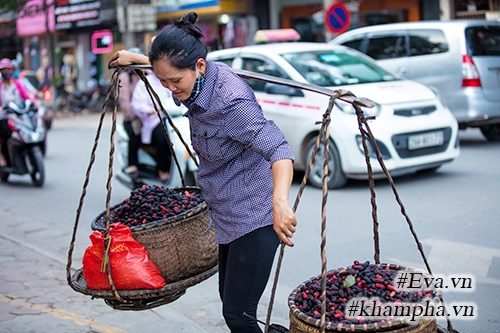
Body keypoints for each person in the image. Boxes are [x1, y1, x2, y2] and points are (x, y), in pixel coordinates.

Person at [109, 12, 297, 333]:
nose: (170, 88)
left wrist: (280, 203)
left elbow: (279, 150)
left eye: (174, 82)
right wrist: (138, 60)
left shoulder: (230, 102)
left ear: (199, 67)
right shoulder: (194, 83)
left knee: (238, 315)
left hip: (256, 218)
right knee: (231, 303)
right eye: (163, 81)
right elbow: (170, 72)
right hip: (226, 216)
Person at [130, 71, 184, 183]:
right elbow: (137, 104)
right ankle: (163, 171)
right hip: (153, 120)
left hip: (173, 116)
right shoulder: (144, 82)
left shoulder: (171, 77)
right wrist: (149, 110)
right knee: (162, 137)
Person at [0, 58, 37, 167]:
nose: (6, 72)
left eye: (8, 69)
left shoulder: (17, 84)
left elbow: (26, 96)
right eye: (4, 70)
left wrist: (33, 102)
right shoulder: (1, 86)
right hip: (5, 115)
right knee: (4, 131)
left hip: (18, 114)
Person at [118, 48, 145, 177]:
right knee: (135, 135)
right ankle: (132, 164)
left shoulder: (147, 74)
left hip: (151, 116)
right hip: (133, 118)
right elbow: (125, 102)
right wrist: (135, 116)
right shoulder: (125, 78)